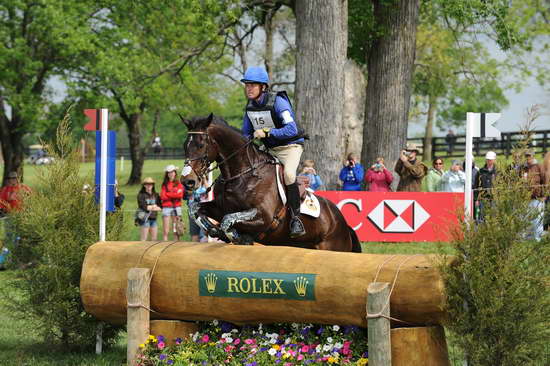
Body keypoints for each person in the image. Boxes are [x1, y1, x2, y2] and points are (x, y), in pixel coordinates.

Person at [240, 66, 306, 238]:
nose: (249, 88)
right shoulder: (250, 107)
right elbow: (245, 135)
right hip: (269, 150)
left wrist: (268, 132)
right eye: (247, 85)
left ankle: (295, 219)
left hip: (289, 148)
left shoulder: (278, 102)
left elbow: (291, 129)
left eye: (253, 85)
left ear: (263, 87)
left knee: (290, 175)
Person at [520, 150, 545, 241]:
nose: (528, 158)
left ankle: (537, 239)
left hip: (537, 197)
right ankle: (527, 238)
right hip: (525, 198)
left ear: (533, 156)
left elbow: (545, 180)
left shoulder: (539, 166)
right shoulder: (523, 168)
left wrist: (544, 195)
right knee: (526, 218)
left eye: (529, 156)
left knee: (537, 219)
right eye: (526, 156)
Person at [160, 164, 185, 241]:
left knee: (176, 229)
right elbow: (162, 197)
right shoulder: (164, 184)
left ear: (175, 173)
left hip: (176, 208)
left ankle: (176, 246)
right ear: (167, 174)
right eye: (169, 172)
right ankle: (165, 244)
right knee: (166, 230)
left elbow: (180, 195)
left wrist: (168, 194)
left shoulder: (179, 183)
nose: (171, 174)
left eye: (172, 172)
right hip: (166, 207)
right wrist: (174, 194)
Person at [474, 151, 498, 222]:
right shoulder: (480, 171)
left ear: (494, 160)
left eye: (490, 160)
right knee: (483, 219)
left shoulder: (498, 171)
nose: (489, 161)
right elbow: (476, 186)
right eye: (487, 159)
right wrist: (476, 199)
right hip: (483, 199)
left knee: (494, 219)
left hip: (495, 199)